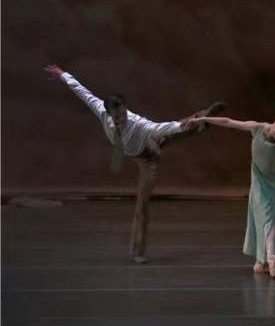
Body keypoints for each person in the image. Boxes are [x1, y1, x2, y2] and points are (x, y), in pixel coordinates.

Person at [44, 64, 226, 263]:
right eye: (117, 116)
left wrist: (180, 127)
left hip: (149, 156)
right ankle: (199, 120)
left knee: (174, 132)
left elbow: (161, 127)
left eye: (123, 113)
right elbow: (82, 91)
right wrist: (63, 75)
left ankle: (201, 118)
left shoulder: (137, 123)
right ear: (108, 113)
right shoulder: (101, 110)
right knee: (143, 203)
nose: (122, 118)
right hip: (140, 153)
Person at [185, 114, 275, 278]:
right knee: (265, 216)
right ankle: (266, 259)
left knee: (273, 217)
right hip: (260, 181)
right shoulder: (257, 128)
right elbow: (229, 122)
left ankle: (269, 258)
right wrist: (202, 119)